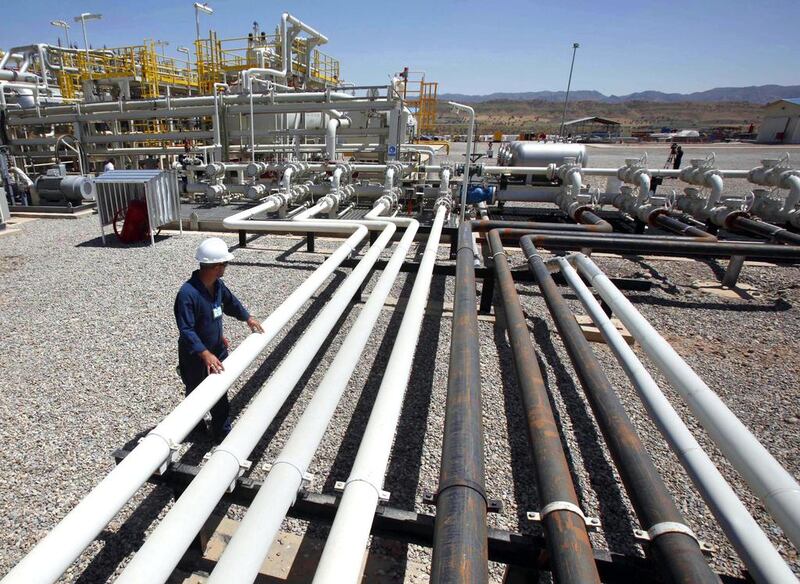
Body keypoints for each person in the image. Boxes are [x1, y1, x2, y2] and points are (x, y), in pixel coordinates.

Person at [174, 237, 264, 442]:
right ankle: (195, 428)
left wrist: (247, 318)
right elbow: (186, 329)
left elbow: (231, 303)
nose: (226, 267)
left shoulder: (217, 285)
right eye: (224, 263)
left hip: (216, 350)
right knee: (195, 393)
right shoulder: (187, 294)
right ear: (215, 266)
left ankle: (222, 433)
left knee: (219, 393)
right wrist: (205, 353)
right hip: (195, 357)